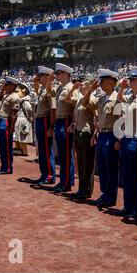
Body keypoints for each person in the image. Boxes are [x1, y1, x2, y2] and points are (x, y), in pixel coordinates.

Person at [116, 67, 137, 219]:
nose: (130, 82)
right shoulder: (131, 97)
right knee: (127, 175)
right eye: (130, 80)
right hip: (126, 138)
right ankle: (127, 205)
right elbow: (118, 101)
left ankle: (136, 208)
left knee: (136, 176)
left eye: (134, 80)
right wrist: (122, 88)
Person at [83, 69, 120, 207]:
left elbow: (120, 120)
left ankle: (111, 197)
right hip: (102, 134)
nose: (100, 83)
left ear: (112, 82)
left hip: (111, 134)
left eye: (102, 81)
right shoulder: (101, 98)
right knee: (102, 167)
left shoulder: (117, 98)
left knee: (111, 168)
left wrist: (118, 139)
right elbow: (85, 103)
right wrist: (90, 90)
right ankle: (105, 194)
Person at [66, 76, 96, 200]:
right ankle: (81, 189)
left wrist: (94, 136)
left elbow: (96, 118)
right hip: (78, 132)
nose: (81, 86)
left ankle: (87, 190)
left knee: (87, 163)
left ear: (89, 87)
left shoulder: (92, 99)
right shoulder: (79, 98)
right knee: (81, 163)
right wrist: (73, 88)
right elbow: (67, 98)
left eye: (83, 84)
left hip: (86, 132)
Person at [53, 63, 77, 194]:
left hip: (66, 121)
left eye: (60, 73)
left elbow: (75, 108)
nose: (57, 76)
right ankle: (63, 181)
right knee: (62, 155)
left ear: (67, 74)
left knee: (67, 154)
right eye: (57, 73)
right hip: (59, 121)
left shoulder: (71, 88)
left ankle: (67, 182)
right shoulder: (60, 88)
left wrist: (73, 123)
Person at [33, 66, 56, 185]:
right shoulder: (43, 89)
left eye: (41, 76)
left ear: (47, 77)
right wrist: (35, 81)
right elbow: (36, 87)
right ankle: (44, 173)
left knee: (47, 149)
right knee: (41, 149)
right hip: (40, 119)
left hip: (46, 119)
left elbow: (53, 109)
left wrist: (51, 127)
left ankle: (50, 175)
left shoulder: (50, 90)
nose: (39, 78)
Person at [0, 77, 20, 175]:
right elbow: (0, 98)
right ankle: (4, 166)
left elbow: (14, 113)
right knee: (2, 146)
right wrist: (2, 88)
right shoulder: (7, 95)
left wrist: (11, 127)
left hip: (7, 121)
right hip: (1, 120)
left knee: (7, 146)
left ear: (13, 85)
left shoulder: (15, 96)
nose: (5, 85)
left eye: (7, 84)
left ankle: (8, 167)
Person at [14, 82, 33, 157]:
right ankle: (19, 150)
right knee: (18, 139)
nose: (16, 93)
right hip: (19, 121)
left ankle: (24, 152)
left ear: (24, 90)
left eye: (17, 91)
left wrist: (28, 120)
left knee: (23, 139)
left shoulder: (25, 102)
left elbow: (29, 111)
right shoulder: (20, 100)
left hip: (23, 121)